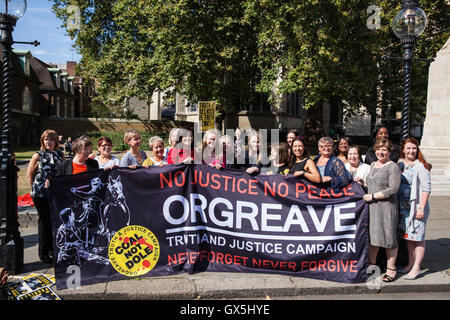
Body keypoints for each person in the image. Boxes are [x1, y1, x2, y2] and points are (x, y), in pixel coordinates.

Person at [363, 138, 401, 282]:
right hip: (373, 208)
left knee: (388, 238)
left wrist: (373, 196)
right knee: (374, 238)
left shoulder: (392, 167)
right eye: (378, 149)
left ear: (390, 152)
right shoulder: (372, 164)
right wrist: (362, 182)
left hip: (386, 207)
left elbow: (393, 188)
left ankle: (391, 269)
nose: (380, 152)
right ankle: (372, 266)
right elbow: (371, 182)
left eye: (384, 149)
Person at [27, 129, 65, 263]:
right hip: (40, 193)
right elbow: (30, 175)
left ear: (55, 141)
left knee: (54, 221)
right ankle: (43, 253)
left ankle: (52, 248)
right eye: (46, 139)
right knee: (44, 222)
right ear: (42, 141)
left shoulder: (60, 154)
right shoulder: (38, 155)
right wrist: (36, 189)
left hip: (55, 193)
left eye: (51, 139)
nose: (48, 142)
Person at [397, 137, 432, 280]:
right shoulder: (400, 164)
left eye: (414, 148)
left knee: (418, 238)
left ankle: (417, 267)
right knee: (409, 238)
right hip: (404, 208)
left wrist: (421, 208)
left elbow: (426, 188)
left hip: (417, 208)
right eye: (409, 148)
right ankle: (410, 265)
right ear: (403, 150)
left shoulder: (421, 165)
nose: (411, 151)